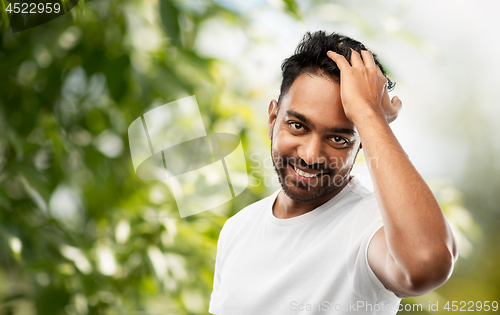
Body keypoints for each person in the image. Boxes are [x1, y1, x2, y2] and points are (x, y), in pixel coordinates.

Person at [208, 31, 458, 315]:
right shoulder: (237, 229)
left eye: (338, 139)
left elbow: (426, 263)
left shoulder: (373, 229)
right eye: (298, 126)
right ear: (272, 119)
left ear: (362, 143)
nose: (311, 155)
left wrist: (368, 115)